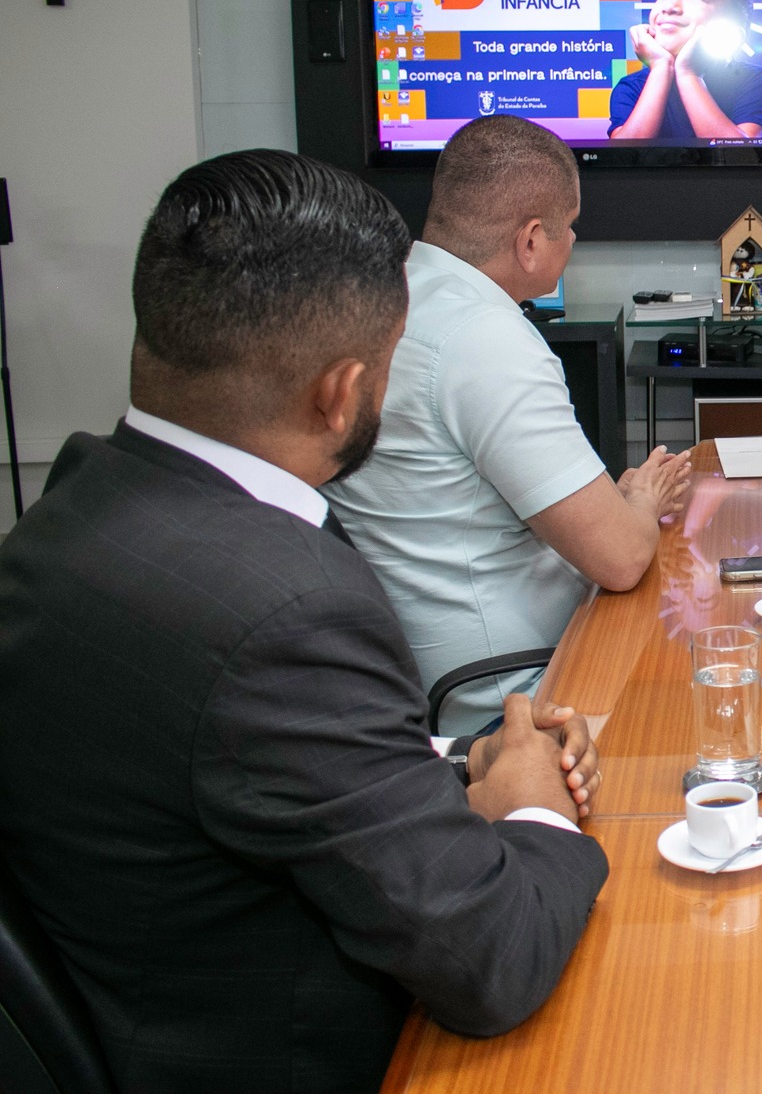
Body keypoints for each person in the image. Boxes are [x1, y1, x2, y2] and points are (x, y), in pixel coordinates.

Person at [0, 150, 610, 1092]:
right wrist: (533, 798)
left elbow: (233, 762)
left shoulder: (66, 515)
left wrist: (451, 770)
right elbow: (495, 958)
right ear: (340, 391)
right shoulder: (289, 610)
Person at [326, 115, 693, 734]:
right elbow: (623, 558)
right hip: (517, 691)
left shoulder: (385, 295)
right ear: (529, 241)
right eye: (568, 228)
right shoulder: (487, 339)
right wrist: (640, 497)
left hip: (418, 667)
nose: (572, 242)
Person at [609, 0, 762, 141]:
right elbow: (624, 159)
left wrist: (688, 74)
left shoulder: (752, 80)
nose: (670, 7)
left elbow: (745, 156)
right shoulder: (631, 87)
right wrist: (662, 67)